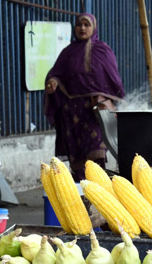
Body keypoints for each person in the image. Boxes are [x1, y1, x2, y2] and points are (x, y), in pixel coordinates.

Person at [44, 12, 125, 180]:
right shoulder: (68, 52)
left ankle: (99, 193)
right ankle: (82, 197)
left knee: (96, 155)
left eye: (86, 25)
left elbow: (112, 79)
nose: (82, 28)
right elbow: (56, 73)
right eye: (79, 24)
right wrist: (53, 81)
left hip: (94, 112)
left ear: (93, 28)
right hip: (73, 114)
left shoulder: (103, 50)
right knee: (78, 158)